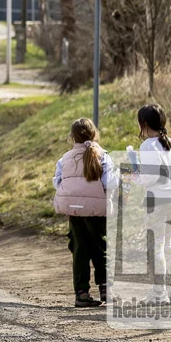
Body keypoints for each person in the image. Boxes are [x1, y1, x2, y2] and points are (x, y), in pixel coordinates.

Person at [52, 117, 116, 308]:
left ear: (71, 137)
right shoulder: (103, 156)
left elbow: (57, 182)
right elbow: (109, 183)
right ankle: (105, 289)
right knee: (100, 249)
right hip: (97, 212)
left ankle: (81, 293)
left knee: (79, 250)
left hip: (75, 213)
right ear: (94, 134)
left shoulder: (64, 158)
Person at [136, 104, 171, 303]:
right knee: (168, 243)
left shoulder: (148, 145)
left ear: (144, 124)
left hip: (157, 200)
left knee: (156, 246)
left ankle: (159, 293)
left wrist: (134, 177)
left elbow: (149, 177)